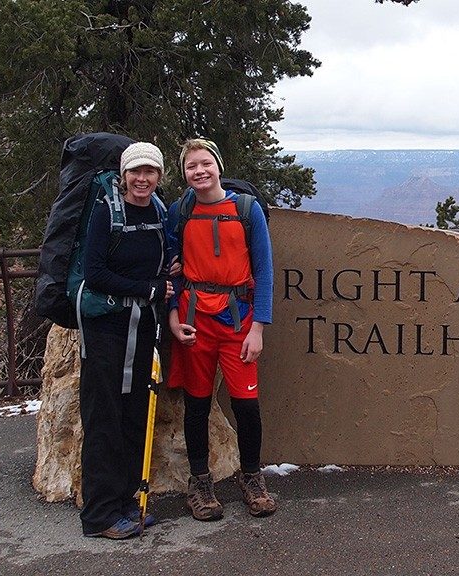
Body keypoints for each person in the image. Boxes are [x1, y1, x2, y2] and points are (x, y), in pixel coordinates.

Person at [166, 138, 276, 521]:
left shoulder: (247, 210)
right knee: (196, 403)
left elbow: (264, 270)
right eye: (191, 166)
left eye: (205, 163)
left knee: (247, 403)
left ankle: (251, 476)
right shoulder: (180, 211)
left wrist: (258, 327)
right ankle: (200, 482)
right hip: (194, 319)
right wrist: (172, 317)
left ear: (218, 165)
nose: (199, 171)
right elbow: (168, 267)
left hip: (238, 319)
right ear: (184, 173)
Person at [79, 141, 173, 539]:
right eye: (135, 171)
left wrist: (167, 275)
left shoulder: (158, 211)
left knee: (136, 413)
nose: (142, 179)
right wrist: (148, 289)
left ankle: (126, 504)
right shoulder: (106, 212)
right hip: (105, 328)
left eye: (150, 171)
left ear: (159, 175)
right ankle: (99, 516)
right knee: (104, 416)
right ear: (123, 175)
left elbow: (162, 261)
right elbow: (94, 272)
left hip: (141, 329)